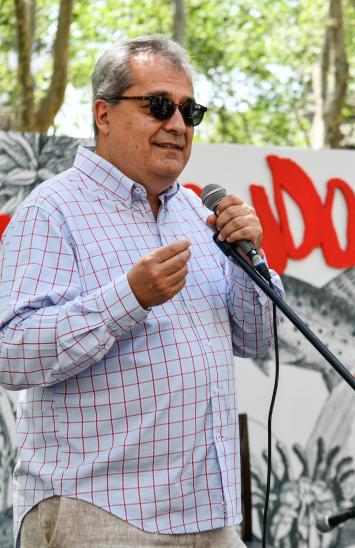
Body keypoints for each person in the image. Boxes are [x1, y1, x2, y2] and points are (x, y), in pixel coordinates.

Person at [0, 35, 282, 547]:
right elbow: (11, 354)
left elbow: (258, 339)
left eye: (188, 110)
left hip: (208, 515)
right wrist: (127, 299)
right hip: (100, 511)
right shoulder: (53, 210)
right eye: (158, 106)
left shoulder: (200, 215)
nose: (177, 124)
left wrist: (250, 261)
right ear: (103, 114)